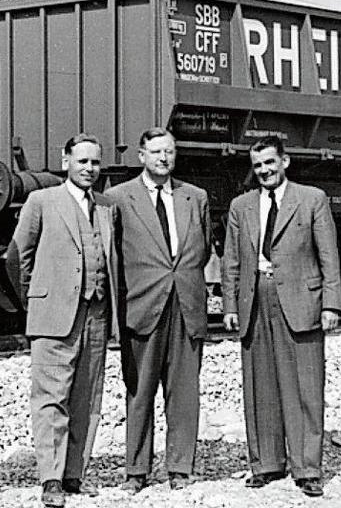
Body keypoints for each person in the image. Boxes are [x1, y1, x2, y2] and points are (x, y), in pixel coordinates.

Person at [220, 135, 341, 498]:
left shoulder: (311, 199)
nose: (264, 171)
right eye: (258, 165)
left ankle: (307, 468)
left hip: (300, 301)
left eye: (270, 163)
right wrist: (229, 306)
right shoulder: (241, 206)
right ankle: (266, 463)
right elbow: (231, 261)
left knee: (304, 386)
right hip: (255, 298)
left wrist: (331, 304)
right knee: (260, 385)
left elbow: (329, 256)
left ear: (284, 162)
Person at [7, 133, 120, 508]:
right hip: (53, 315)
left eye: (95, 162)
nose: (90, 169)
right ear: (65, 159)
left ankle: (74, 474)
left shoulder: (105, 206)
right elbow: (17, 256)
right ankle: (51, 478)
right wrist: (36, 299)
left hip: (97, 313)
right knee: (51, 398)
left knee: (87, 396)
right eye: (83, 161)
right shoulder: (42, 201)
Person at [105, 128, 211, 493]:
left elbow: (204, 249)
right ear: (141, 155)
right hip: (142, 306)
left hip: (185, 305)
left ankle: (180, 467)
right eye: (155, 152)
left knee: (183, 393)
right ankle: (136, 471)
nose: (163, 158)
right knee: (140, 392)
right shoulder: (117, 199)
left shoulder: (194, 197)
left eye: (169, 151)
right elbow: (113, 256)